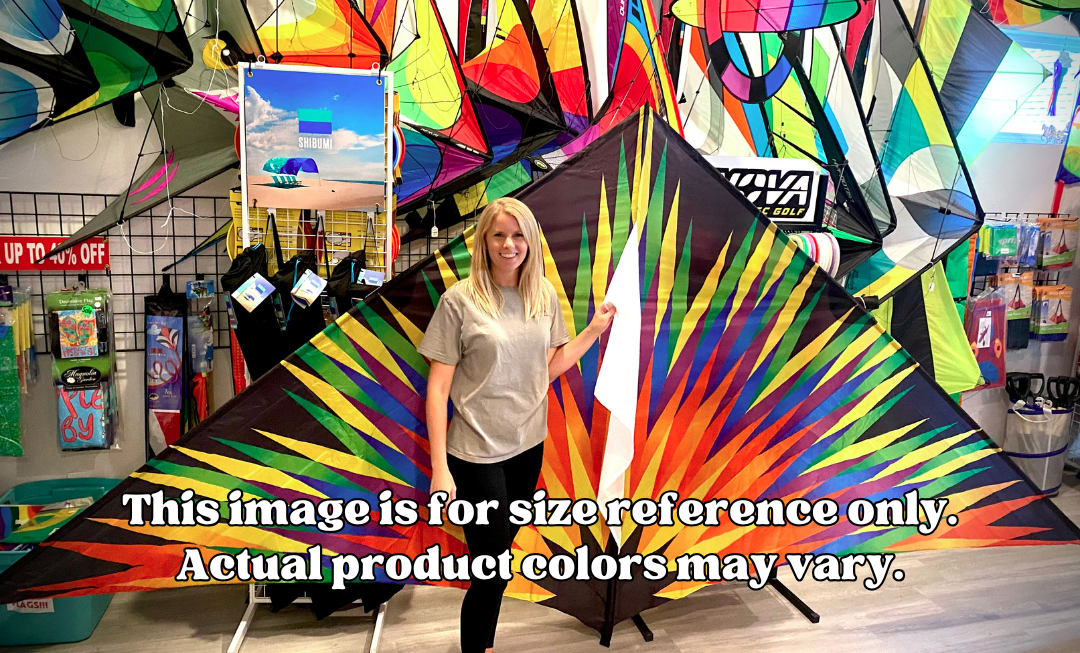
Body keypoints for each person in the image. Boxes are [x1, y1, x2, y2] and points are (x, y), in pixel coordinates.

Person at [417, 197, 615, 653]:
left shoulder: (542, 293)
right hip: (474, 455)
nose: (509, 245)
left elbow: (544, 368)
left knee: (498, 558)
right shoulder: (459, 302)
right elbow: (438, 389)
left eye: (518, 234)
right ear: (484, 242)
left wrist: (592, 332)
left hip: (529, 446)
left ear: (532, 240)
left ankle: (481, 643)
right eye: (499, 235)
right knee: (493, 566)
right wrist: (440, 470)